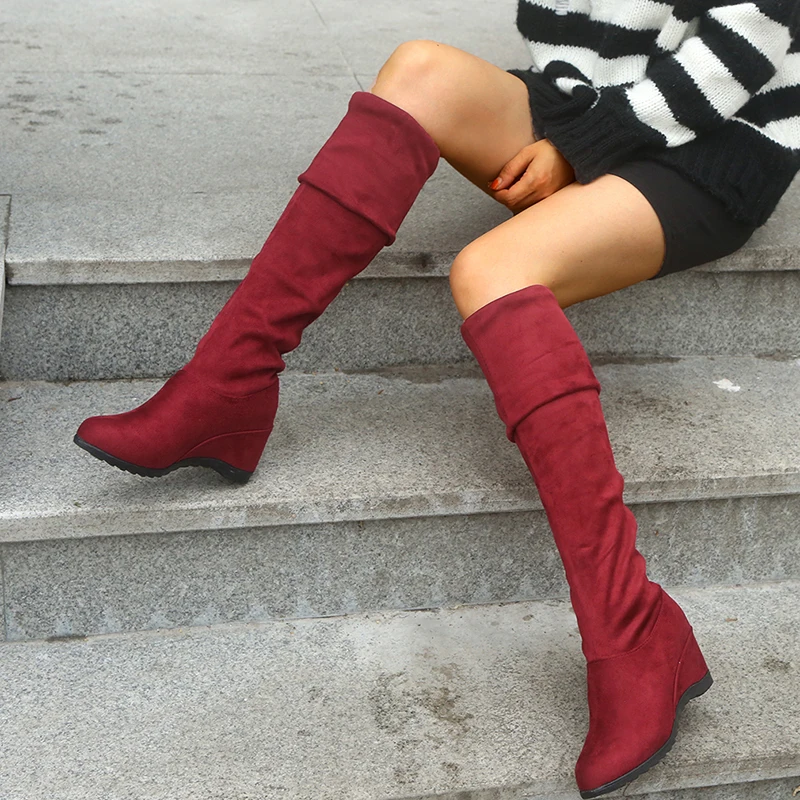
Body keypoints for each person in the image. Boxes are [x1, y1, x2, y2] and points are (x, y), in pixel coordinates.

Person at [73, 0, 800, 795]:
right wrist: (579, 124)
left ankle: (636, 630)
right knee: (419, 69)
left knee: (492, 271)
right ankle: (227, 389)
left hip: (716, 138)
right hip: (591, 105)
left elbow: (754, 35)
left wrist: (586, 145)